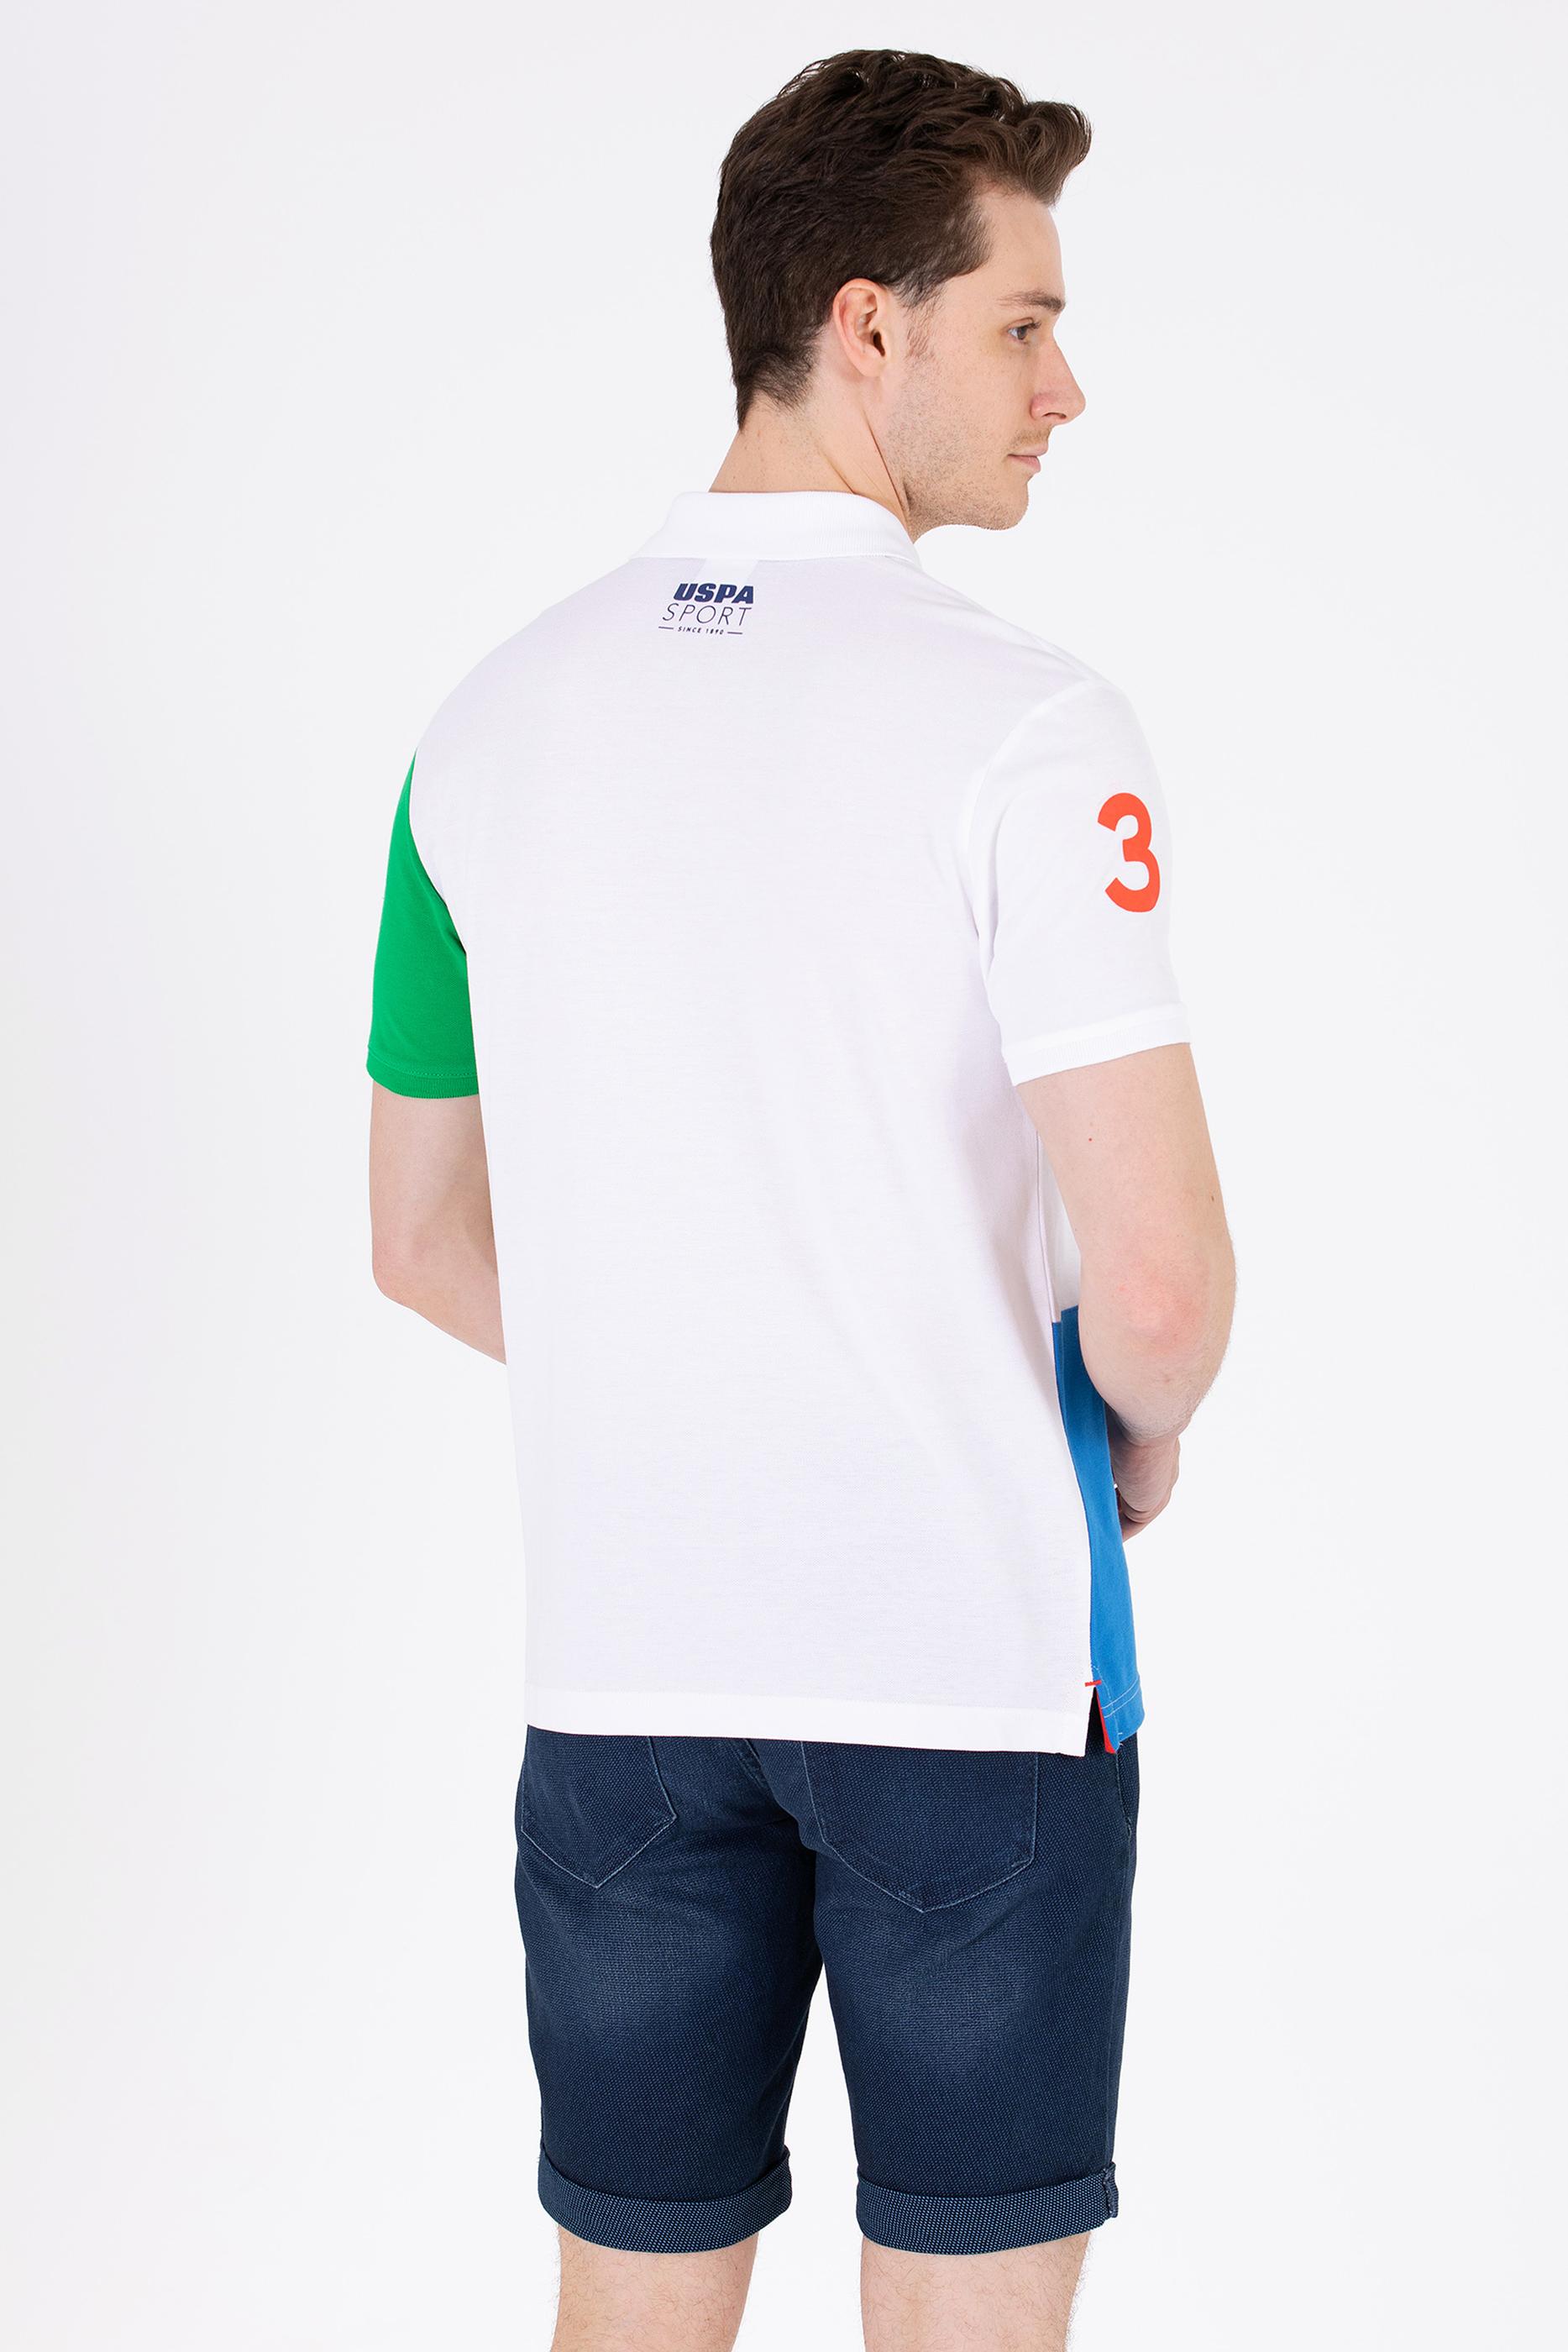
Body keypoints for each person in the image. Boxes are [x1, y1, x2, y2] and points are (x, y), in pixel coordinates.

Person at [366, 45, 1235, 2352]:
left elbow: (419, 1238)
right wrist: (1127, 1429)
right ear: (868, 324)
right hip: (968, 1670)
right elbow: (1158, 1289)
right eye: (1023, 324)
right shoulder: (1029, 727)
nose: (1065, 388)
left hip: (621, 1679)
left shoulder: (480, 728)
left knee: (624, 2315)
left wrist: (695, 1347)